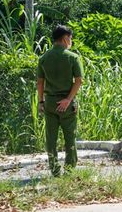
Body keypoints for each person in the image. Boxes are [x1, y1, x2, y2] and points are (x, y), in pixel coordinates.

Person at [37, 25, 84, 177]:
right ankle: (69, 171)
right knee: (70, 137)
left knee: (51, 138)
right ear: (65, 38)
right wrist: (68, 100)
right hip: (67, 105)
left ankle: (55, 171)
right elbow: (78, 81)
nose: (71, 41)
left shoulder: (43, 58)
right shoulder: (72, 57)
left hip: (50, 103)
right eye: (70, 38)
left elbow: (40, 82)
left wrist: (41, 102)